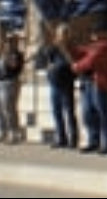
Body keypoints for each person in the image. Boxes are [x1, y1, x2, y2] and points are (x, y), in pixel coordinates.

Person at [68, 17, 107, 155]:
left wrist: (77, 66)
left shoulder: (105, 46)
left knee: (104, 115)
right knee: (88, 114)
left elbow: (91, 61)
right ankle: (93, 140)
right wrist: (67, 44)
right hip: (90, 84)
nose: (93, 34)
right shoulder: (94, 46)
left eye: (97, 31)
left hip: (103, 84)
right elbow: (81, 52)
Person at [43, 22, 79, 150]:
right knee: (56, 112)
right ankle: (61, 137)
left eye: (64, 34)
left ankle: (73, 139)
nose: (62, 37)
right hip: (55, 83)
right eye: (60, 34)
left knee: (69, 112)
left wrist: (65, 50)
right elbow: (46, 56)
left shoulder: (71, 48)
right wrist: (54, 45)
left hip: (66, 84)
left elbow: (72, 64)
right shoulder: (54, 48)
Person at [0, 30, 25, 145]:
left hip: (10, 82)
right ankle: (2, 131)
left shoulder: (17, 55)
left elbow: (14, 67)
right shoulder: (1, 55)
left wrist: (7, 58)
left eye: (10, 42)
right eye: (7, 42)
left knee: (9, 108)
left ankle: (14, 132)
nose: (8, 44)